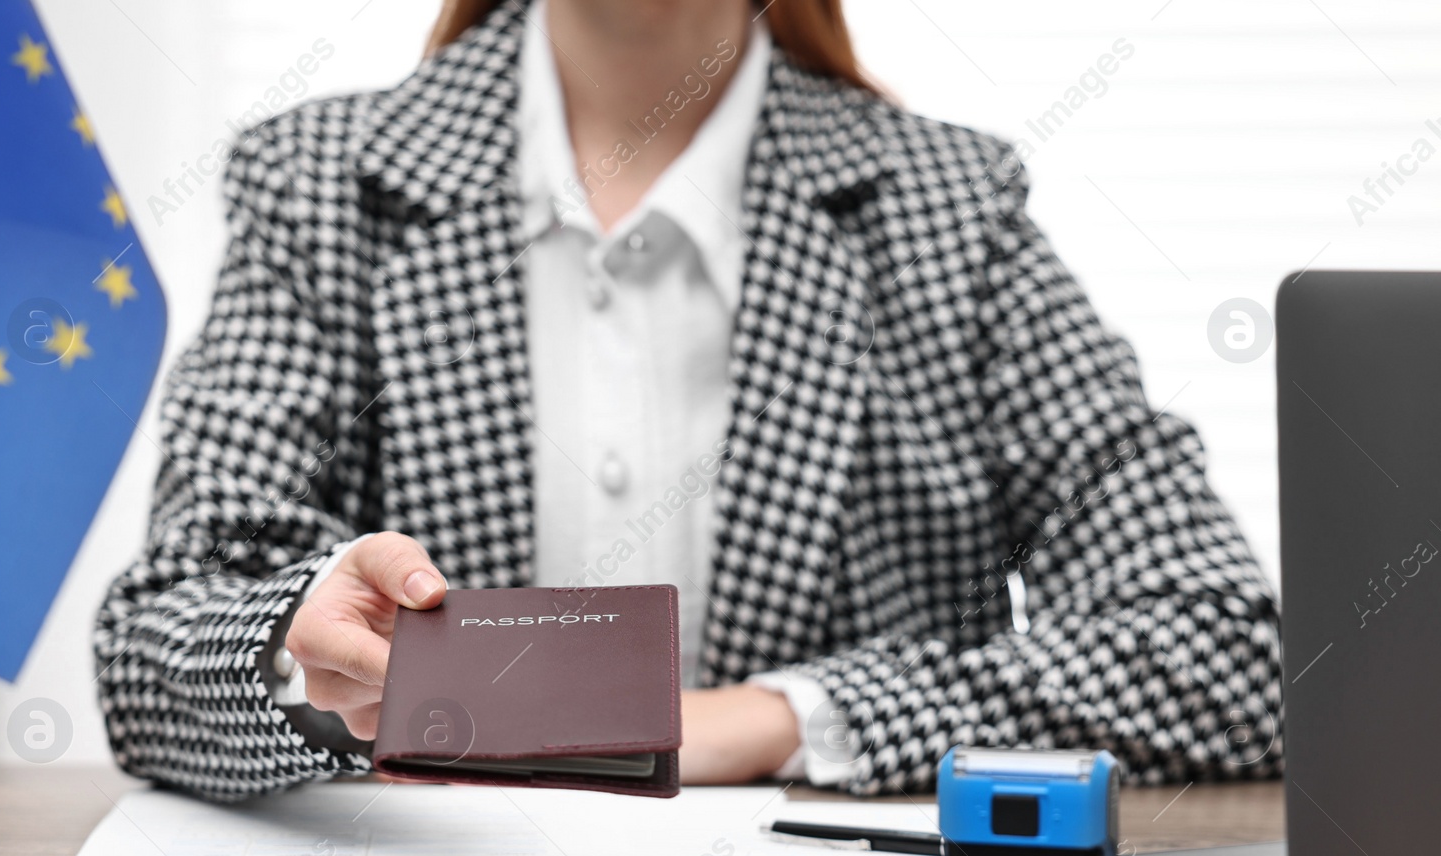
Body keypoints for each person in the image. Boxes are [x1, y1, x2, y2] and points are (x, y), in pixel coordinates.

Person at [96, 0, 1282, 803]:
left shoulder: (947, 213)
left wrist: (782, 716)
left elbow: (1225, 650)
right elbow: (152, 648)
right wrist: (303, 653)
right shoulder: (320, 185)